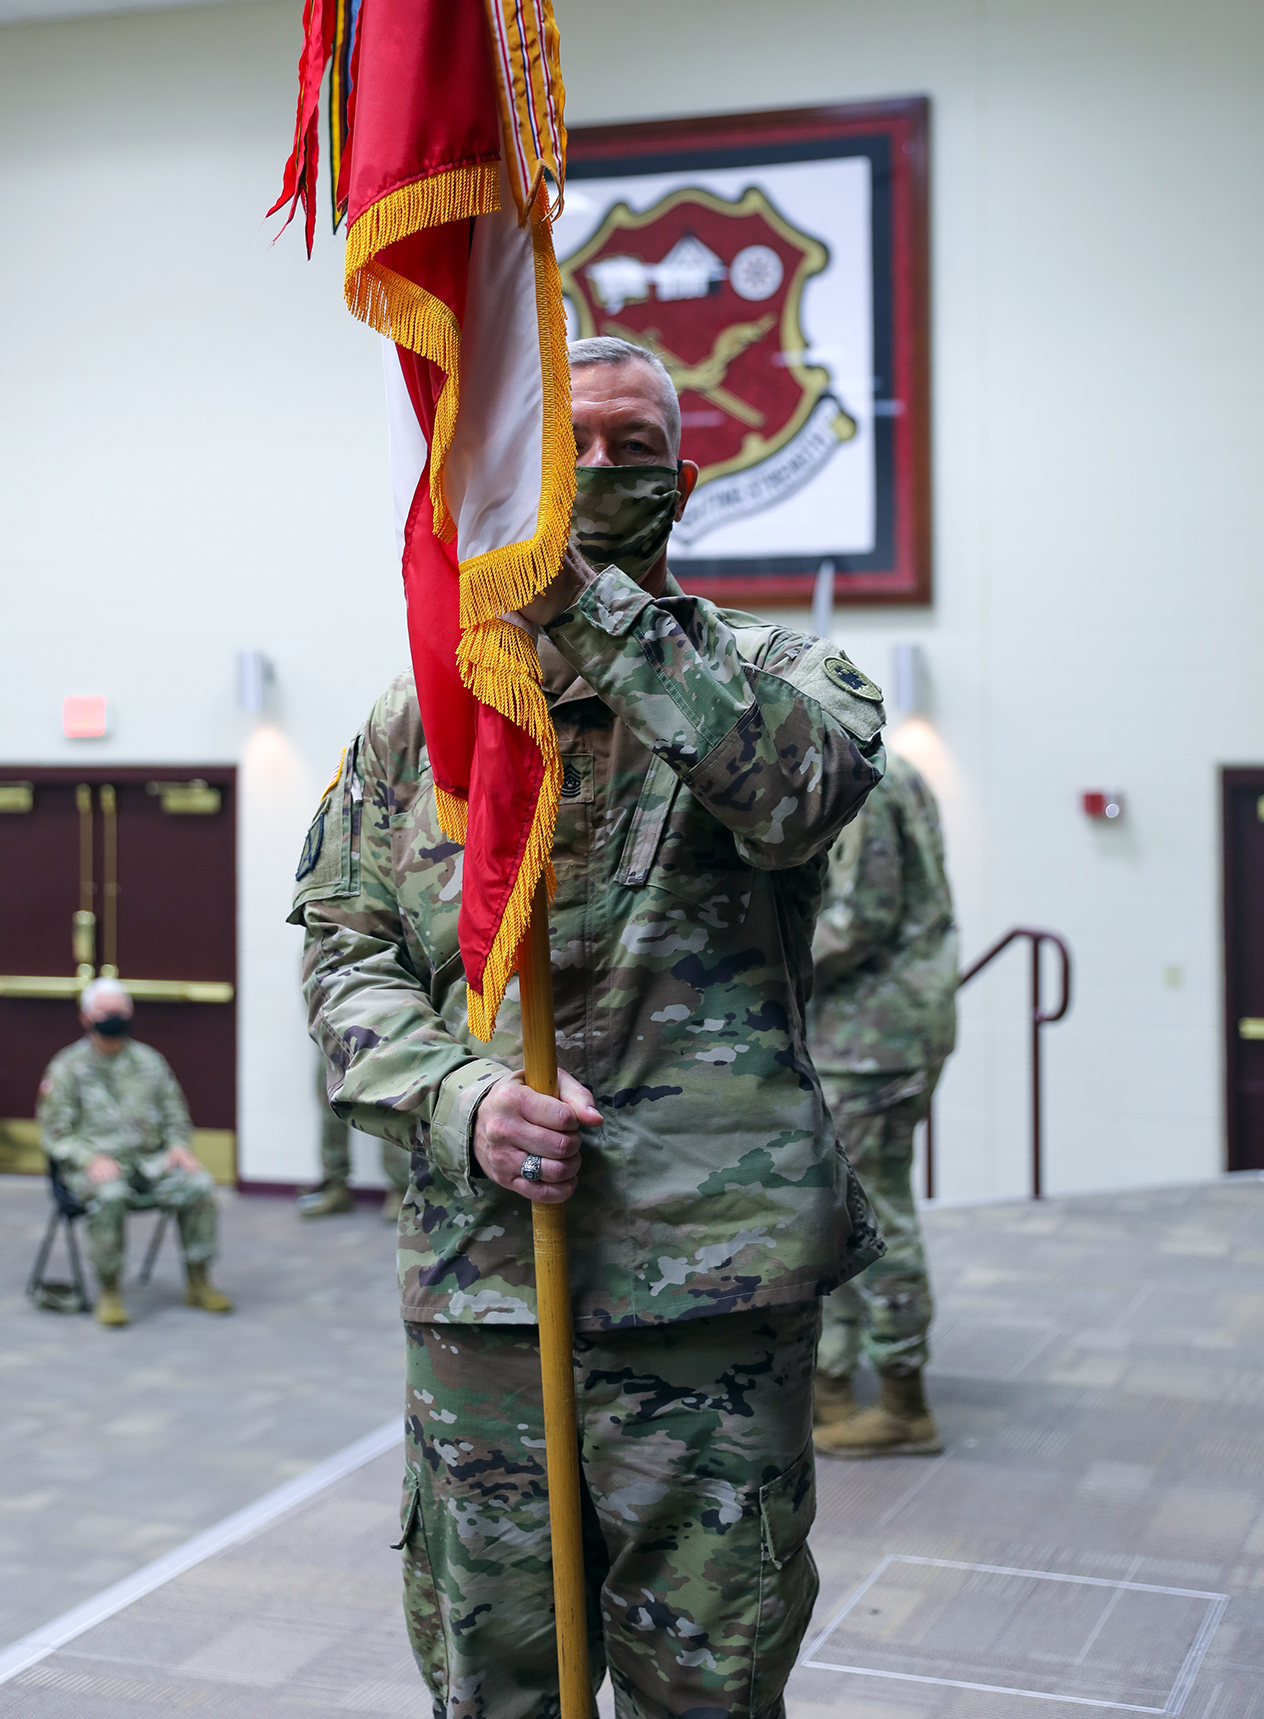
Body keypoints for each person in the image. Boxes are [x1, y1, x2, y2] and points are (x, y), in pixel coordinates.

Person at [291, 335, 888, 1719]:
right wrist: (458, 1099)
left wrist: (586, 610)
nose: (604, 470)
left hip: (710, 1291)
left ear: (684, 485)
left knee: (709, 1674)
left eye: (634, 449)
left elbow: (790, 796)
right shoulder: (424, 727)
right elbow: (344, 960)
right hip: (487, 1283)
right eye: (574, 446)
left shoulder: (782, 672)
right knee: (492, 1667)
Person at [807, 748, 958, 1458]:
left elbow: (860, 917)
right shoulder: (886, 768)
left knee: (876, 1208)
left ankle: (904, 1399)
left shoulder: (859, 777)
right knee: (840, 1206)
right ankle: (833, 1381)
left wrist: (753, 962)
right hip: (871, 1032)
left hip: (874, 1036)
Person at [36, 978, 233, 1329]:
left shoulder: (150, 1061)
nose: (113, 1017)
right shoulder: (66, 1067)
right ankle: (110, 1289)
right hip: (95, 1167)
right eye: (105, 1011)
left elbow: (176, 1115)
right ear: (86, 1017)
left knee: (199, 1184)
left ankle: (199, 1280)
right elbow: (55, 1135)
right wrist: (89, 1159)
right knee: (109, 1194)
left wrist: (178, 1147)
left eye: (120, 1010)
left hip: (150, 1162)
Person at [297, 1039, 413, 1220]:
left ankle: (400, 1189)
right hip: (332, 1025)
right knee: (331, 1105)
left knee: (389, 1101)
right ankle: (335, 1186)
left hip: (383, 1025)